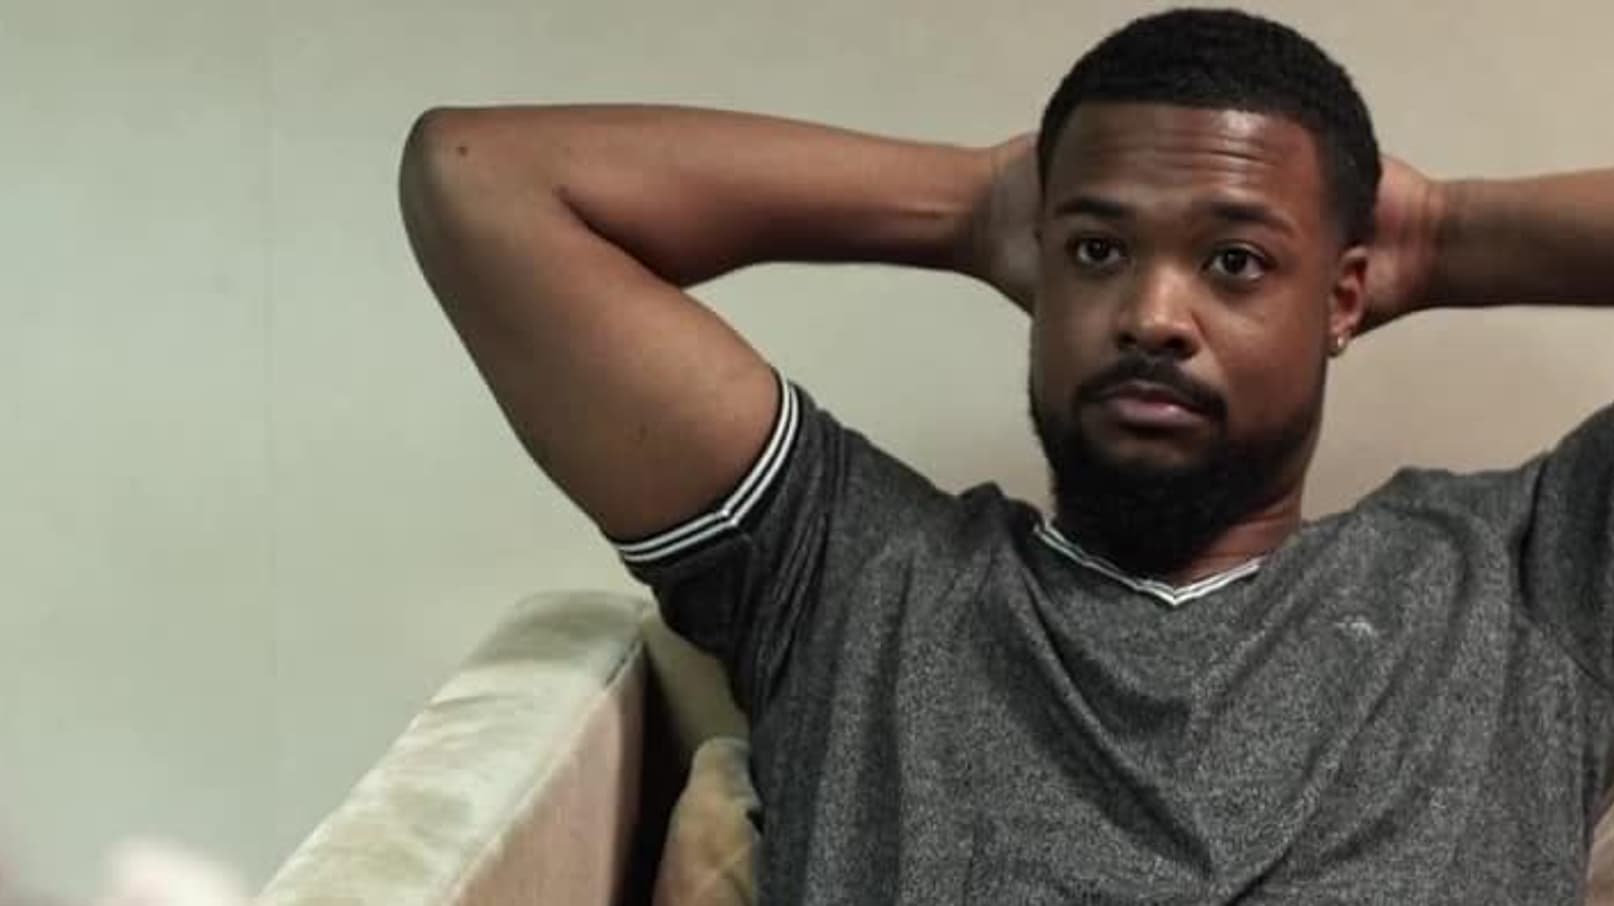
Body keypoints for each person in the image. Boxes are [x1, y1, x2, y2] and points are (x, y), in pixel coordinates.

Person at [398, 7, 1614, 904]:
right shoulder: (850, 575)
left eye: (1235, 261)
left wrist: (1443, 233)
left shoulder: (1522, 580)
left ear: (1342, 296)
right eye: (1096, 252)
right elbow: (484, 184)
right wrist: (976, 204)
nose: (1153, 315)